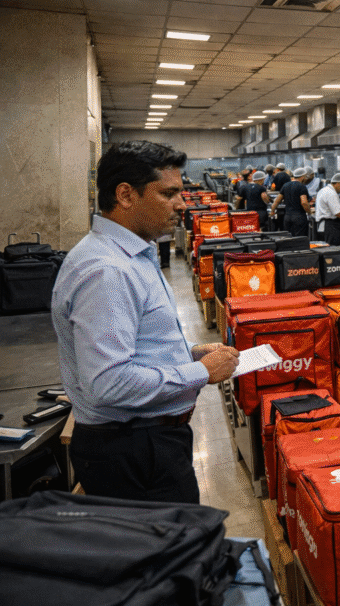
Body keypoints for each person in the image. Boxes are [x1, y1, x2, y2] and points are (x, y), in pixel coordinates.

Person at [51, 140, 240, 504]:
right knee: (171, 557)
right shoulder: (107, 271)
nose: (182, 204)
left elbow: (136, 346)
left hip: (145, 444)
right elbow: (107, 383)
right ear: (125, 195)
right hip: (135, 452)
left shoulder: (133, 254)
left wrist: (190, 354)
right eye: (169, 193)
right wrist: (200, 372)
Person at [271, 166, 314, 239]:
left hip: (287, 217)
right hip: (299, 217)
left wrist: (272, 211)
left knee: (289, 239)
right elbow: (304, 202)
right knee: (300, 240)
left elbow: (277, 200)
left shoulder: (286, 185)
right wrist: (309, 212)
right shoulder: (301, 186)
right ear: (303, 176)